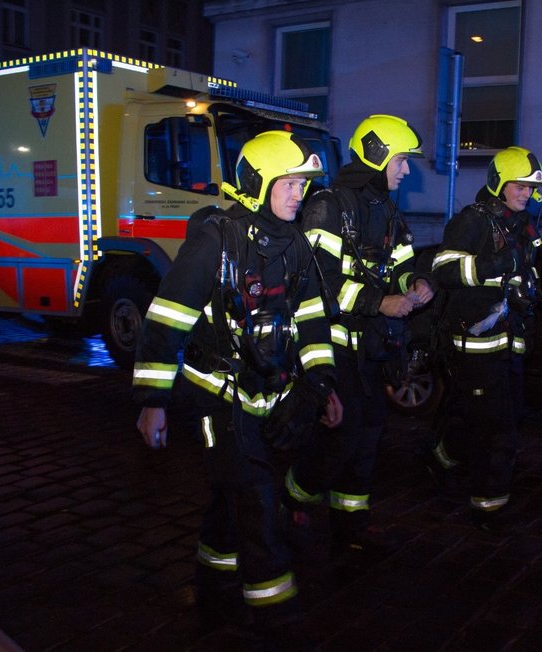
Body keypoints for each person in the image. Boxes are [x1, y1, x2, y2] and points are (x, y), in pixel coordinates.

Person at [132, 130, 342, 634]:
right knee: (256, 501)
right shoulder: (215, 241)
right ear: (257, 182)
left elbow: (313, 320)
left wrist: (322, 383)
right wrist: (152, 401)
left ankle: (212, 586)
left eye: (303, 183)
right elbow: (165, 321)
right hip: (215, 399)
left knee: (233, 497)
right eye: (289, 182)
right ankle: (277, 617)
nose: (299, 193)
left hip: (267, 397)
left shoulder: (296, 246)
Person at [283, 114, 433, 554]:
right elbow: (314, 278)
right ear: (377, 155)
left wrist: (415, 284)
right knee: (341, 434)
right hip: (330, 345)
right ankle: (293, 495)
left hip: (369, 347)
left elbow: (404, 261)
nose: (406, 171)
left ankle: (351, 525)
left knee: (368, 435)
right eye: (402, 160)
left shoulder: (385, 209)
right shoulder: (328, 206)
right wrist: (377, 302)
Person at [422, 146, 542, 533]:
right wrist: (495, 265)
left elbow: (525, 273)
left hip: (509, 342)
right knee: (496, 429)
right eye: (518, 185)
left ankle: (441, 453)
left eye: (529, 188)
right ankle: (488, 508)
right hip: (473, 345)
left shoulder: (522, 225)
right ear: (498, 184)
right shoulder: (472, 222)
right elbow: (443, 268)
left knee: (493, 419)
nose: (525, 193)